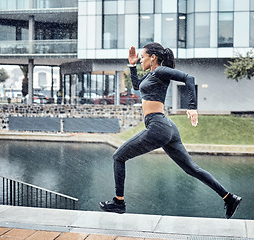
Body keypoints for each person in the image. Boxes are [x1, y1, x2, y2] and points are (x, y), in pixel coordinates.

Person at [99, 42, 242, 219]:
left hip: (158, 125)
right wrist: (132, 65)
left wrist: (192, 107)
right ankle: (229, 198)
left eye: (142, 57)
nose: (140, 60)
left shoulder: (160, 71)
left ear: (153, 57)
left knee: (118, 157)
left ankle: (118, 203)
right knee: (192, 169)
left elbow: (188, 78)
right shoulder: (152, 74)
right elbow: (136, 86)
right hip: (166, 126)